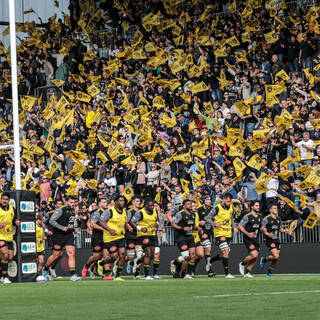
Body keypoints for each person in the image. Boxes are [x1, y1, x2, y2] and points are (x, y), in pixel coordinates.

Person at [43, 195, 81, 281]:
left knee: (71, 253)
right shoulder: (60, 210)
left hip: (69, 235)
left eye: (74, 202)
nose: (72, 204)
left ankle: (73, 275)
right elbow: (52, 221)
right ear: (66, 202)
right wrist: (62, 228)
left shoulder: (73, 210)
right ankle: (45, 269)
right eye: (71, 202)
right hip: (58, 236)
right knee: (56, 255)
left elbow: (70, 222)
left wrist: (74, 227)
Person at [205, 193, 236, 279]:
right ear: (224, 200)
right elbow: (207, 218)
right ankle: (227, 274)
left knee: (223, 254)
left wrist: (234, 227)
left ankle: (210, 261)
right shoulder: (217, 208)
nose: (229, 203)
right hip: (219, 233)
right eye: (227, 201)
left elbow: (231, 219)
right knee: (226, 252)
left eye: (230, 201)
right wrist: (215, 224)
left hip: (228, 233)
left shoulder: (231, 208)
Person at [99, 194, 128, 280]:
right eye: (121, 200)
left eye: (123, 201)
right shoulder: (109, 211)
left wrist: (126, 228)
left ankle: (117, 276)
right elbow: (101, 221)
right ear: (116, 202)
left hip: (120, 237)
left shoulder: (125, 212)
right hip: (109, 238)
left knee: (122, 255)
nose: (123, 202)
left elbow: (124, 223)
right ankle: (102, 263)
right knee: (114, 257)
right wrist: (109, 229)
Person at [131, 198, 160, 280]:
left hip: (153, 234)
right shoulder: (140, 213)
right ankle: (146, 275)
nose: (152, 207)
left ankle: (137, 261)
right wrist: (140, 228)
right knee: (148, 254)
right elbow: (132, 222)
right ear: (145, 205)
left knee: (151, 256)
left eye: (153, 206)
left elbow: (156, 220)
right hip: (143, 235)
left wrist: (157, 224)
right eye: (150, 205)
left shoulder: (155, 211)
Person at [81, 198, 108, 278]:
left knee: (106, 255)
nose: (106, 203)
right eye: (104, 202)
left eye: (106, 202)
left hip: (107, 236)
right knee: (97, 257)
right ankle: (87, 266)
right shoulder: (96, 213)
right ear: (99, 204)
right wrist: (102, 228)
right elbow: (92, 224)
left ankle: (107, 274)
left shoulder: (109, 213)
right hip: (97, 237)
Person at [260, 204, 289, 277]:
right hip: (269, 240)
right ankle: (264, 259)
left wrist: (285, 230)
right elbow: (262, 228)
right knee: (276, 256)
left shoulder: (278, 218)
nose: (276, 209)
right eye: (274, 208)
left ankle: (269, 272)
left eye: (276, 208)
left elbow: (280, 229)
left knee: (276, 258)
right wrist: (267, 233)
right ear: (270, 210)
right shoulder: (266, 218)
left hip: (277, 239)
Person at [170, 199, 197, 279]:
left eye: (191, 204)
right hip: (181, 237)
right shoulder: (180, 214)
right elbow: (172, 224)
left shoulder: (193, 214)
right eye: (188, 204)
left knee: (193, 256)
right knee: (186, 257)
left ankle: (187, 274)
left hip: (190, 237)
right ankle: (175, 264)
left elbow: (192, 225)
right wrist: (182, 228)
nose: (190, 205)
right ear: (184, 206)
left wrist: (197, 228)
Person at [238, 201, 263, 278]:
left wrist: (263, 230)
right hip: (248, 239)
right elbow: (240, 226)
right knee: (254, 255)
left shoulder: (260, 216)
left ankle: (247, 272)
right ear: (252, 207)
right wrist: (247, 233)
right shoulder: (247, 216)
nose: (258, 207)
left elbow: (261, 227)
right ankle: (242, 263)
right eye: (256, 206)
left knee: (255, 256)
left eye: (258, 205)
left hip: (256, 238)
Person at [0, 193, 20, 284]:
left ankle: (1, 276)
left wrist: (16, 221)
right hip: (0, 236)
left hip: (9, 237)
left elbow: (14, 219)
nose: (4, 201)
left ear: (9, 200)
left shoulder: (12, 208)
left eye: (6, 199)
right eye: (3, 199)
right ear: (1, 199)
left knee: (10, 257)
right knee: (5, 254)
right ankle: (5, 277)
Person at [126, 196, 144, 278]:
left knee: (140, 256)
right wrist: (129, 227)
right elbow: (125, 222)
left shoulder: (142, 212)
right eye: (137, 201)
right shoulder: (130, 212)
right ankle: (130, 262)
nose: (139, 203)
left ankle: (136, 274)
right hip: (130, 236)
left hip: (139, 236)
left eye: (139, 201)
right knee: (131, 256)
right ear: (132, 202)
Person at [197, 196, 214, 276]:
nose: (209, 201)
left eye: (210, 199)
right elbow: (195, 219)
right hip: (201, 232)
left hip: (210, 231)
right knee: (207, 248)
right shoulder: (199, 209)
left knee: (202, 253)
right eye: (207, 199)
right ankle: (209, 269)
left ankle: (209, 267)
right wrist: (199, 222)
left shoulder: (212, 209)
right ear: (203, 201)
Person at [36, 213, 46, 282]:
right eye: (40, 220)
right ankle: (34, 275)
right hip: (34, 246)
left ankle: (38, 275)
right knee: (35, 261)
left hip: (40, 246)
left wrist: (43, 237)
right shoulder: (34, 226)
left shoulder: (41, 226)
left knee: (41, 261)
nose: (41, 221)